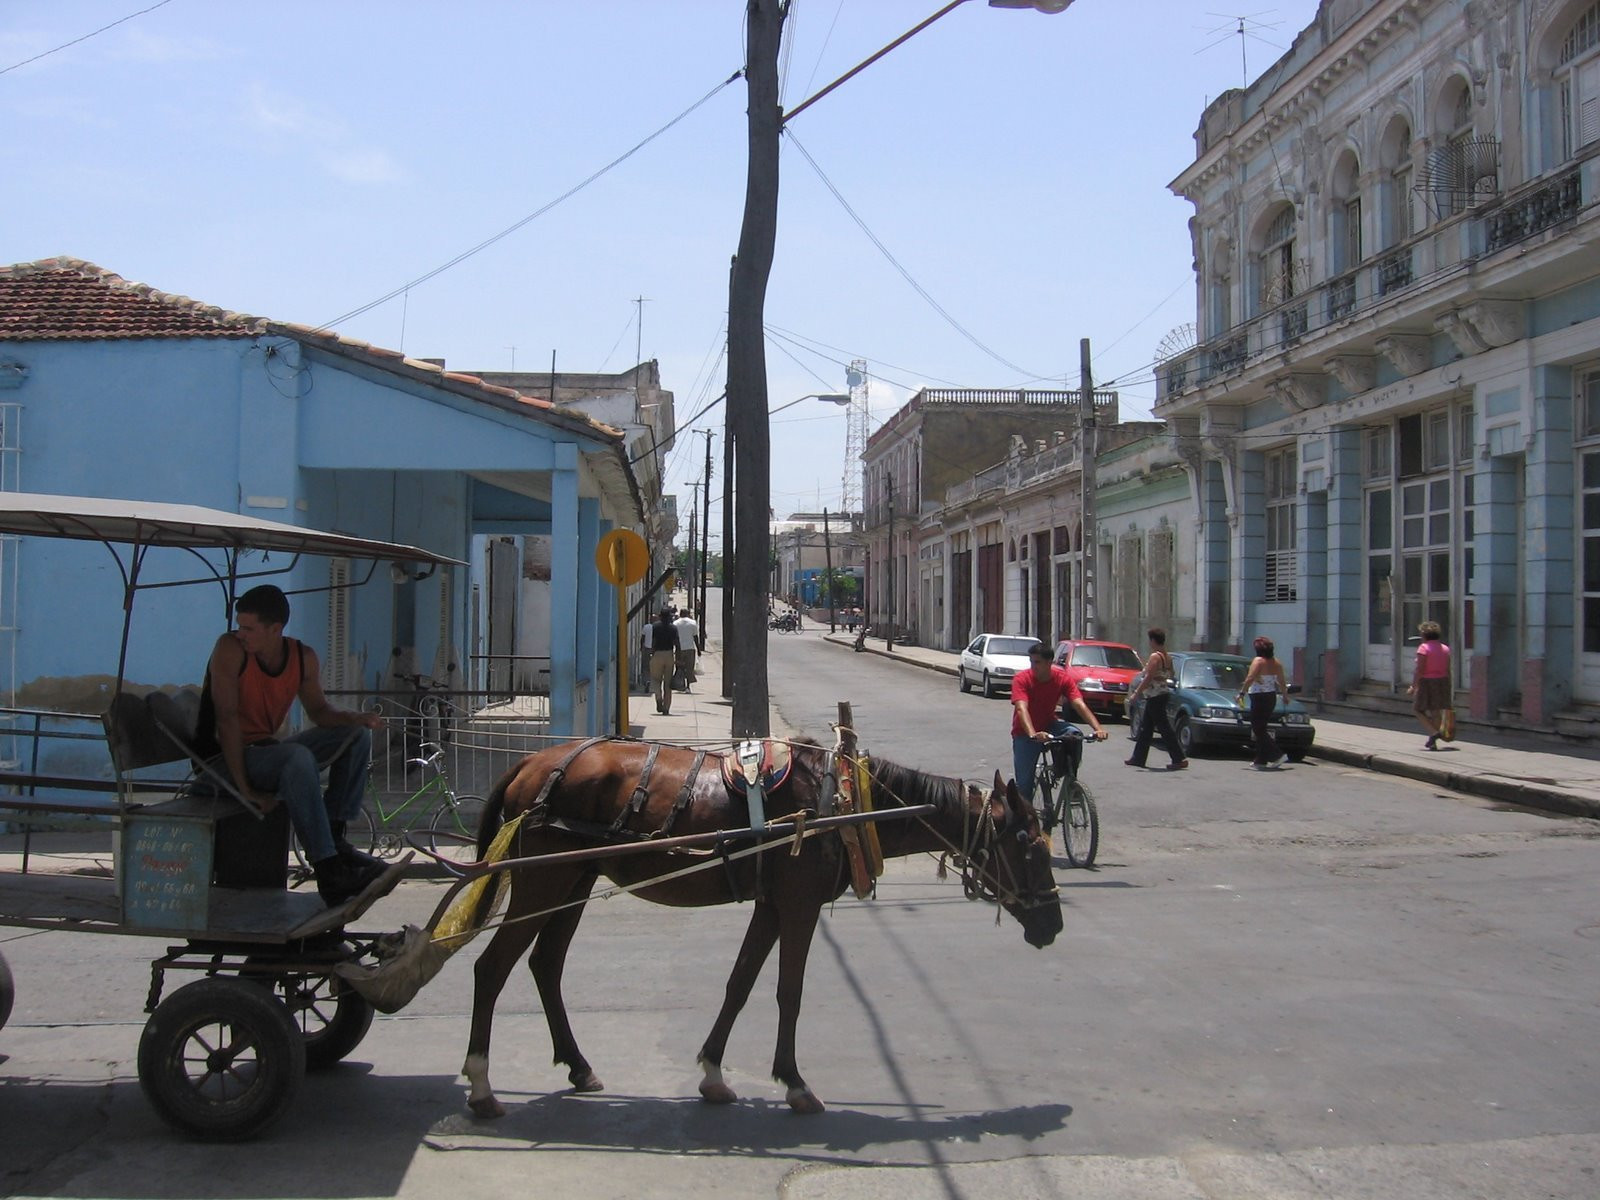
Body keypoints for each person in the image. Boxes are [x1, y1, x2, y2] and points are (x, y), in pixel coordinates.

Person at [201, 584, 386, 906]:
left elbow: (319, 712)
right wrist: (246, 790)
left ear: (275, 629)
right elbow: (227, 721)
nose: (241, 634)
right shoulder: (229, 649)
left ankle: (335, 835)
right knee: (296, 757)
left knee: (356, 736)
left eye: (249, 628)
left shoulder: (302, 657)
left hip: (266, 753)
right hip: (221, 764)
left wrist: (355, 718)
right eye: (239, 626)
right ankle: (328, 869)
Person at [1011, 642, 1108, 812]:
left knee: (1075, 735)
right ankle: (1024, 824)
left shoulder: (1061, 678)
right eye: (1031, 662)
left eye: (1037, 662)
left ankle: (1070, 780)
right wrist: (1033, 734)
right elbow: (1021, 708)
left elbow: (1079, 704)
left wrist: (1097, 728)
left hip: (1049, 725)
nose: (1033, 666)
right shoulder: (1022, 679)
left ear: (1050, 662)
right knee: (1025, 786)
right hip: (1025, 733)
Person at [1125, 627, 1188, 770]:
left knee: (1164, 727)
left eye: (1150, 640)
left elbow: (1148, 677)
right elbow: (1171, 674)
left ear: (1153, 640)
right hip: (1161, 692)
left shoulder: (1155, 656)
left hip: (1155, 695)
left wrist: (1136, 693)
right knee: (1146, 728)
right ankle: (1138, 758)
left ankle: (1179, 758)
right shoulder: (1167, 657)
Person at [1237, 636, 1289, 770]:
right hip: (1270, 697)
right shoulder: (1276, 663)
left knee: (1258, 728)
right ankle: (1261, 760)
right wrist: (1285, 696)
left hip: (1259, 697)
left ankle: (1277, 754)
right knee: (1261, 728)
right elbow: (1282, 681)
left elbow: (1250, 677)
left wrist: (1242, 693)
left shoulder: (1258, 661)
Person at [1408, 620, 1454, 750]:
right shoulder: (1445, 648)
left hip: (1427, 682)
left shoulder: (1423, 648)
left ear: (1423, 635)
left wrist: (1414, 685)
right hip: (1442, 681)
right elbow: (1448, 668)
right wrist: (1449, 685)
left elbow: (1420, 669)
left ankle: (1433, 732)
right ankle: (1433, 740)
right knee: (1435, 711)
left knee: (1417, 709)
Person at [647, 607, 679, 714]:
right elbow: (676, 643)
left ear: (660, 616)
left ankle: (659, 699)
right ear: (670, 616)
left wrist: (652, 652)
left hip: (658, 654)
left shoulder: (655, 627)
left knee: (656, 679)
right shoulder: (673, 628)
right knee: (668, 683)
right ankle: (666, 708)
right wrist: (678, 658)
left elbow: (654, 642)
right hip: (669, 654)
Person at [673, 607, 700, 692]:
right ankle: (688, 686)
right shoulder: (692, 623)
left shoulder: (675, 623)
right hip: (690, 648)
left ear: (680, 614)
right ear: (688, 614)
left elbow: (674, 638)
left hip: (679, 649)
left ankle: (681, 685)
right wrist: (699, 649)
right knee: (689, 668)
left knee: (679, 667)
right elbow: (695, 637)